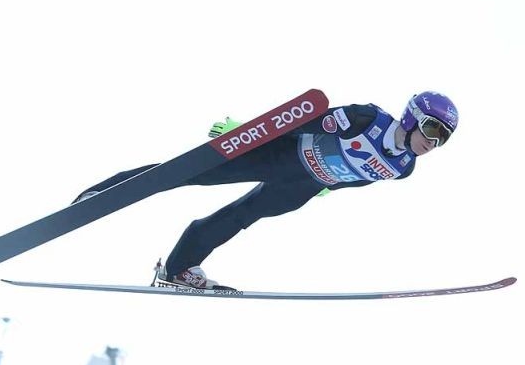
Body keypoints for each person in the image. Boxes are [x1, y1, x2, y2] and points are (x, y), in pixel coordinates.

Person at [73, 92, 459, 289]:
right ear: (411, 116)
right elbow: (303, 122)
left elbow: (359, 177)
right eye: (432, 129)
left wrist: (327, 187)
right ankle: (104, 193)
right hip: (280, 156)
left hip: (303, 186)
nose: (433, 142)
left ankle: (178, 268)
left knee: (241, 216)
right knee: (187, 173)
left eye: (442, 138)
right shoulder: (366, 119)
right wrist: (246, 134)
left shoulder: (403, 168)